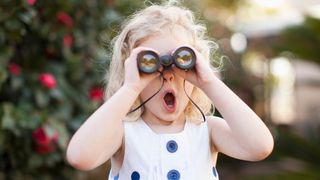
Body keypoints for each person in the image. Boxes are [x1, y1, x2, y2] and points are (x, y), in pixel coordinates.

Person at [66, 2, 274, 180]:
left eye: (182, 62)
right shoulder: (124, 134)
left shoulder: (208, 130)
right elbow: (80, 157)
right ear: (132, 71)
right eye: (149, 64)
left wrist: (208, 81)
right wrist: (130, 87)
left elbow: (260, 147)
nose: (168, 74)